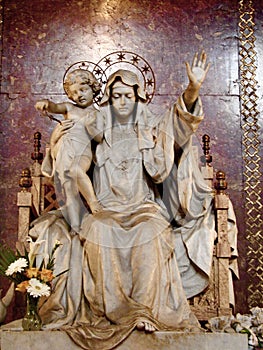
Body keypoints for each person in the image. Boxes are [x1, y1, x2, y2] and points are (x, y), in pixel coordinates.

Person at [29, 51, 225, 350]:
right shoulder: (95, 130)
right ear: (108, 98)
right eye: (116, 95)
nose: (122, 102)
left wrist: (193, 89)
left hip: (143, 208)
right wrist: (93, 205)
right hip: (106, 209)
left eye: (128, 96)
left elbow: (180, 122)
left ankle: (143, 311)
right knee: (97, 233)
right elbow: (75, 167)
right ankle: (107, 314)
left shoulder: (151, 129)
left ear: (139, 98)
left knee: (152, 234)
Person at [35, 69, 103, 232]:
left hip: (83, 149)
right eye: (74, 93)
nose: (78, 95)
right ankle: (76, 226)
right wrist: (46, 103)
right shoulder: (68, 108)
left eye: (83, 89)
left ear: (93, 88)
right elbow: (54, 106)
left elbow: (101, 138)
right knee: (67, 187)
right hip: (63, 148)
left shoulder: (98, 114)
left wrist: (90, 126)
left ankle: (94, 203)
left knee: (76, 170)